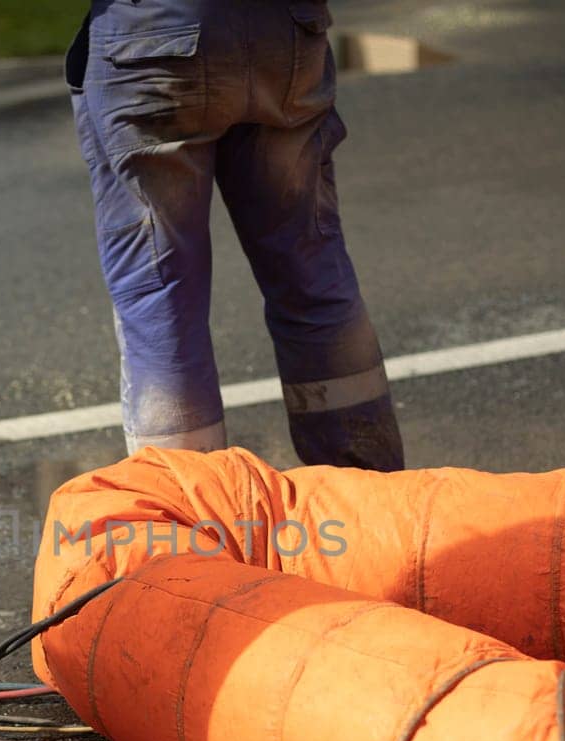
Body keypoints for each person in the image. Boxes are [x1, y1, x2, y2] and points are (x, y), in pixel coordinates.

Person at [67, 0, 404, 470]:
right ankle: (368, 502)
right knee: (311, 272)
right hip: (284, 32)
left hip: (151, 39)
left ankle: (192, 523)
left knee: (160, 297)